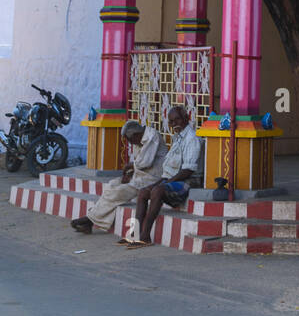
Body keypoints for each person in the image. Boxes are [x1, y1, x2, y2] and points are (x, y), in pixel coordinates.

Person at [70, 120, 167, 237]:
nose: (130, 143)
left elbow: (144, 162)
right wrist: (129, 173)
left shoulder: (152, 136)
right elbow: (138, 164)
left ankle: (89, 220)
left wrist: (130, 166)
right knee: (111, 184)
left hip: (153, 179)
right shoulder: (138, 139)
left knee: (118, 192)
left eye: (130, 140)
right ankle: (90, 222)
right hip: (139, 176)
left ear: (136, 135)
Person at [125, 106, 203, 247]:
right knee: (143, 192)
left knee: (158, 191)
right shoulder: (177, 138)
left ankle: (145, 236)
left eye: (177, 120)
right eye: (171, 121)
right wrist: (161, 182)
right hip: (173, 180)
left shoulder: (191, 139)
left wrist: (164, 184)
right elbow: (168, 171)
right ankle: (134, 233)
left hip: (189, 181)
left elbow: (188, 170)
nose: (174, 124)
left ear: (186, 118)